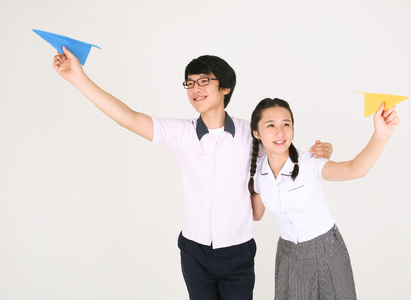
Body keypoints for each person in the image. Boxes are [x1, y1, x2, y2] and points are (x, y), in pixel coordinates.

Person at [52, 48, 333, 299]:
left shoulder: (253, 132)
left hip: (238, 250)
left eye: (203, 81)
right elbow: (128, 118)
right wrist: (78, 78)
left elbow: (284, 149)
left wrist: (320, 151)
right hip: (194, 251)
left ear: (225, 87)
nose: (195, 88)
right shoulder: (181, 132)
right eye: (189, 83)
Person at [248, 98, 399, 300]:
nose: (280, 132)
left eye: (286, 124)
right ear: (256, 133)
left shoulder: (309, 163)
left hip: (326, 249)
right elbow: (256, 214)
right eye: (270, 125)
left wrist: (381, 134)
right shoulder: (257, 172)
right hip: (288, 254)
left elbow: (355, 169)